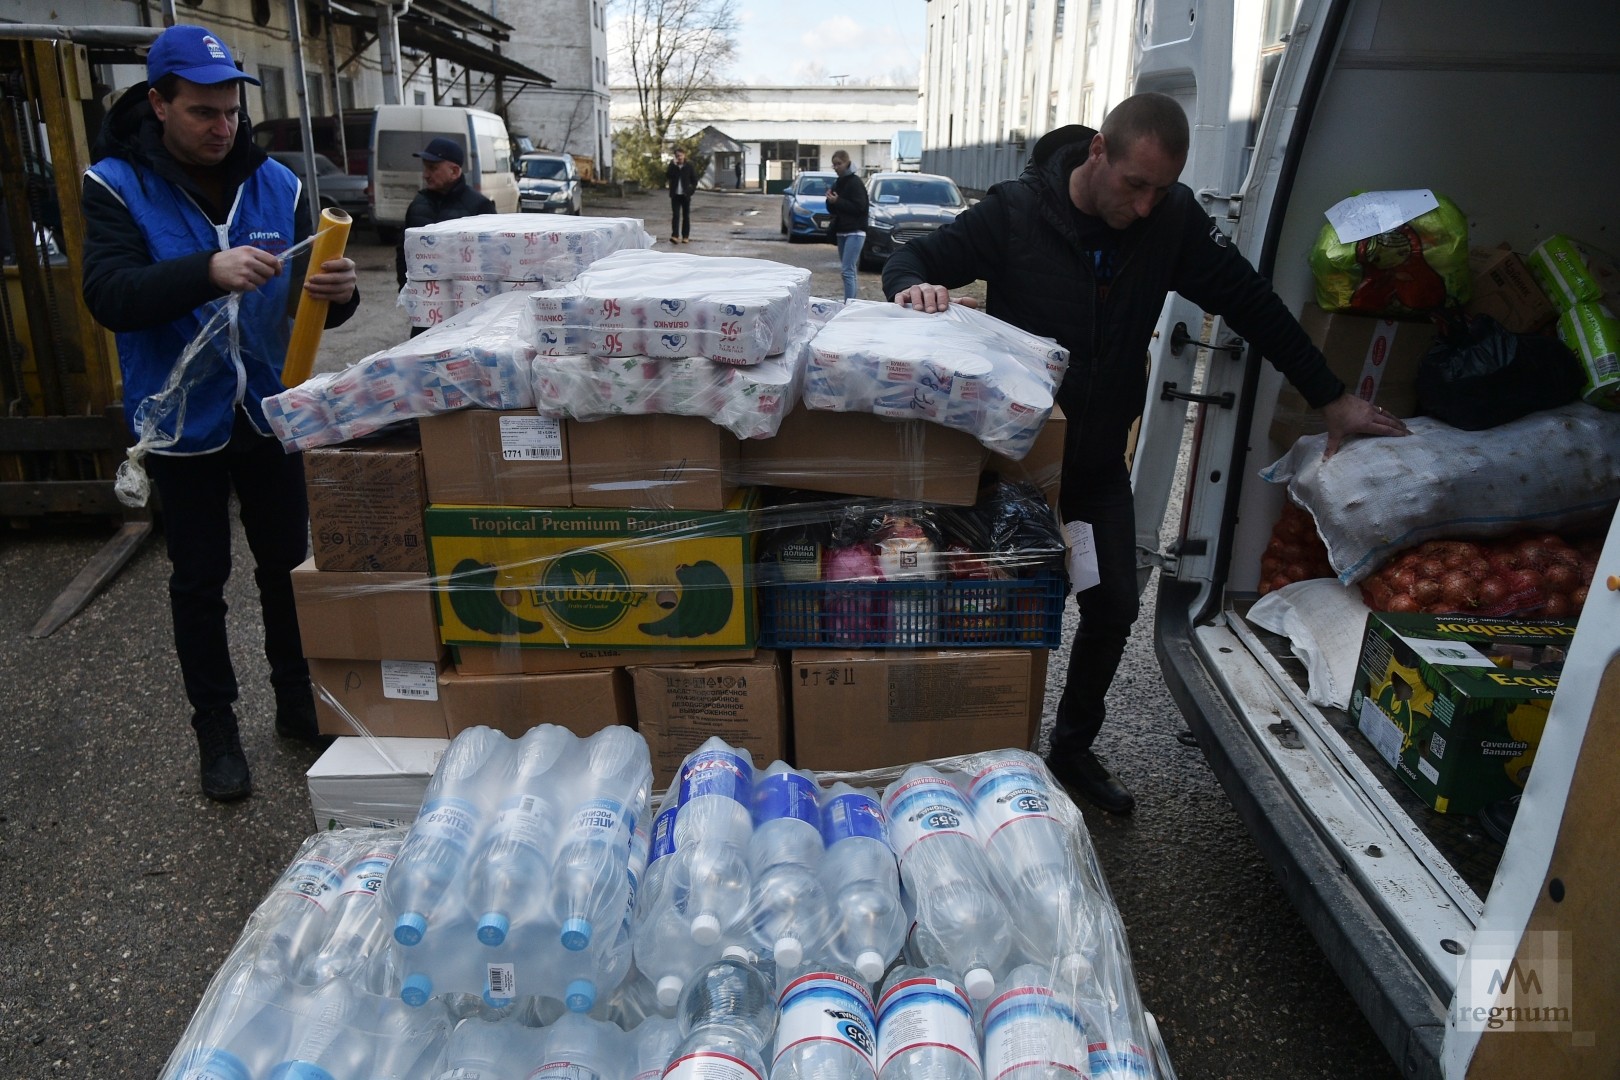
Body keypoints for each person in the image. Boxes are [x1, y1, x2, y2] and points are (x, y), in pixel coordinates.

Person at [883, 92, 1409, 815]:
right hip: (1011, 469)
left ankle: (1071, 751)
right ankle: (975, 759)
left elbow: (1252, 303)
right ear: (1098, 151)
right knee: (994, 611)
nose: (1144, 206)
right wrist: (912, 287)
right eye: (1135, 185)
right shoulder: (1015, 212)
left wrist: (1331, 397)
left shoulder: (1171, 222)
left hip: (1096, 463)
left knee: (1113, 609)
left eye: (1161, 190)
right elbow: (912, 258)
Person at [80, 24, 359, 802]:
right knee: (200, 580)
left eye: (232, 111)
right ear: (158, 104)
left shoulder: (279, 184)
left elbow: (313, 300)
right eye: (203, 112)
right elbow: (110, 295)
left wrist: (341, 296)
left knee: (286, 567)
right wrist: (207, 269)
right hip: (182, 421)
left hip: (268, 412)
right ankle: (217, 731)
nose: (223, 127)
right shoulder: (115, 185)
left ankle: (297, 703)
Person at [395, 135, 496, 334]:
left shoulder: (479, 206)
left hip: (467, 316)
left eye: (432, 168)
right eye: (425, 168)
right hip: (426, 314)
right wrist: (408, 290)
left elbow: (492, 259)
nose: (426, 175)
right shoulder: (419, 204)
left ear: (454, 171)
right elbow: (403, 252)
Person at [824, 150, 869, 301]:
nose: (836, 167)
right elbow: (833, 210)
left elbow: (860, 207)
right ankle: (851, 302)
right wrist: (830, 201)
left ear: (847, 163)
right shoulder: (838, 182)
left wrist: (838, 201)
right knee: (849, 270)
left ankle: (849, 304)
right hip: (842, 230)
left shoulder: (855, 182)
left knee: (847, 270)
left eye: (839, 164)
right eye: (834, 165)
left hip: (855, 231)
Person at [666, 147, 697, 244]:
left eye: (680, 155)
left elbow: (694, 180)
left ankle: (685, 236)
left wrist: (690, 191)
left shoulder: (689, 166)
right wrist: (673, 165)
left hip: (685, 195)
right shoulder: (673, 166)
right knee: (675, 215)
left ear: (684, 155)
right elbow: (668, 176)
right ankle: (675, 236)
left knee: (686, 216)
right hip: (675, 195)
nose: (679, 157)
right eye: (677, 156)